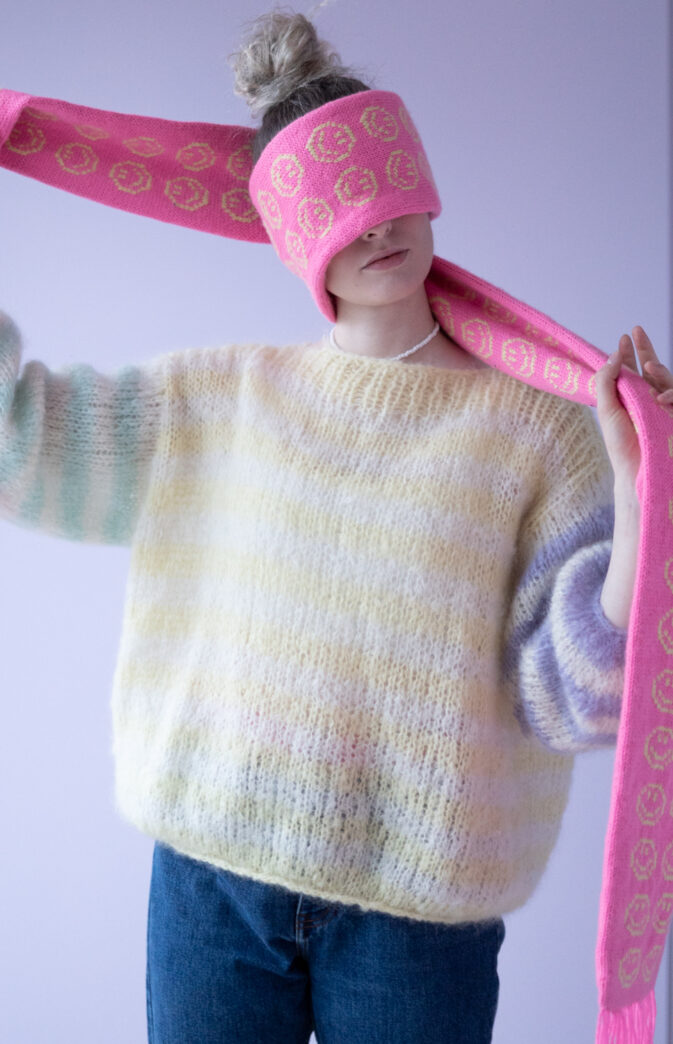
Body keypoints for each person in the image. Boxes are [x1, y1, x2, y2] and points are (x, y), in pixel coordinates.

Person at [1, 7, 672, 1044]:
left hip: (418, 921)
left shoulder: (540, 433)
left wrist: (636, 498)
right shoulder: (215, 401)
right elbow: (21, 442)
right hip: (210, 889)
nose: (373, 230)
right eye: (339, 210)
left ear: (421, 187)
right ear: (290, 235)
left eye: (387, 196)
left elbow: (570, 702)